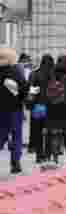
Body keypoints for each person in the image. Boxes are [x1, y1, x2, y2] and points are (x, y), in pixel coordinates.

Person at [0, 46, 27, 175]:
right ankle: (15, 162)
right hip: (15, 109)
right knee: (16, 135)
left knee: (1, 135)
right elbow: (24, 89)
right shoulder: (15, 71)